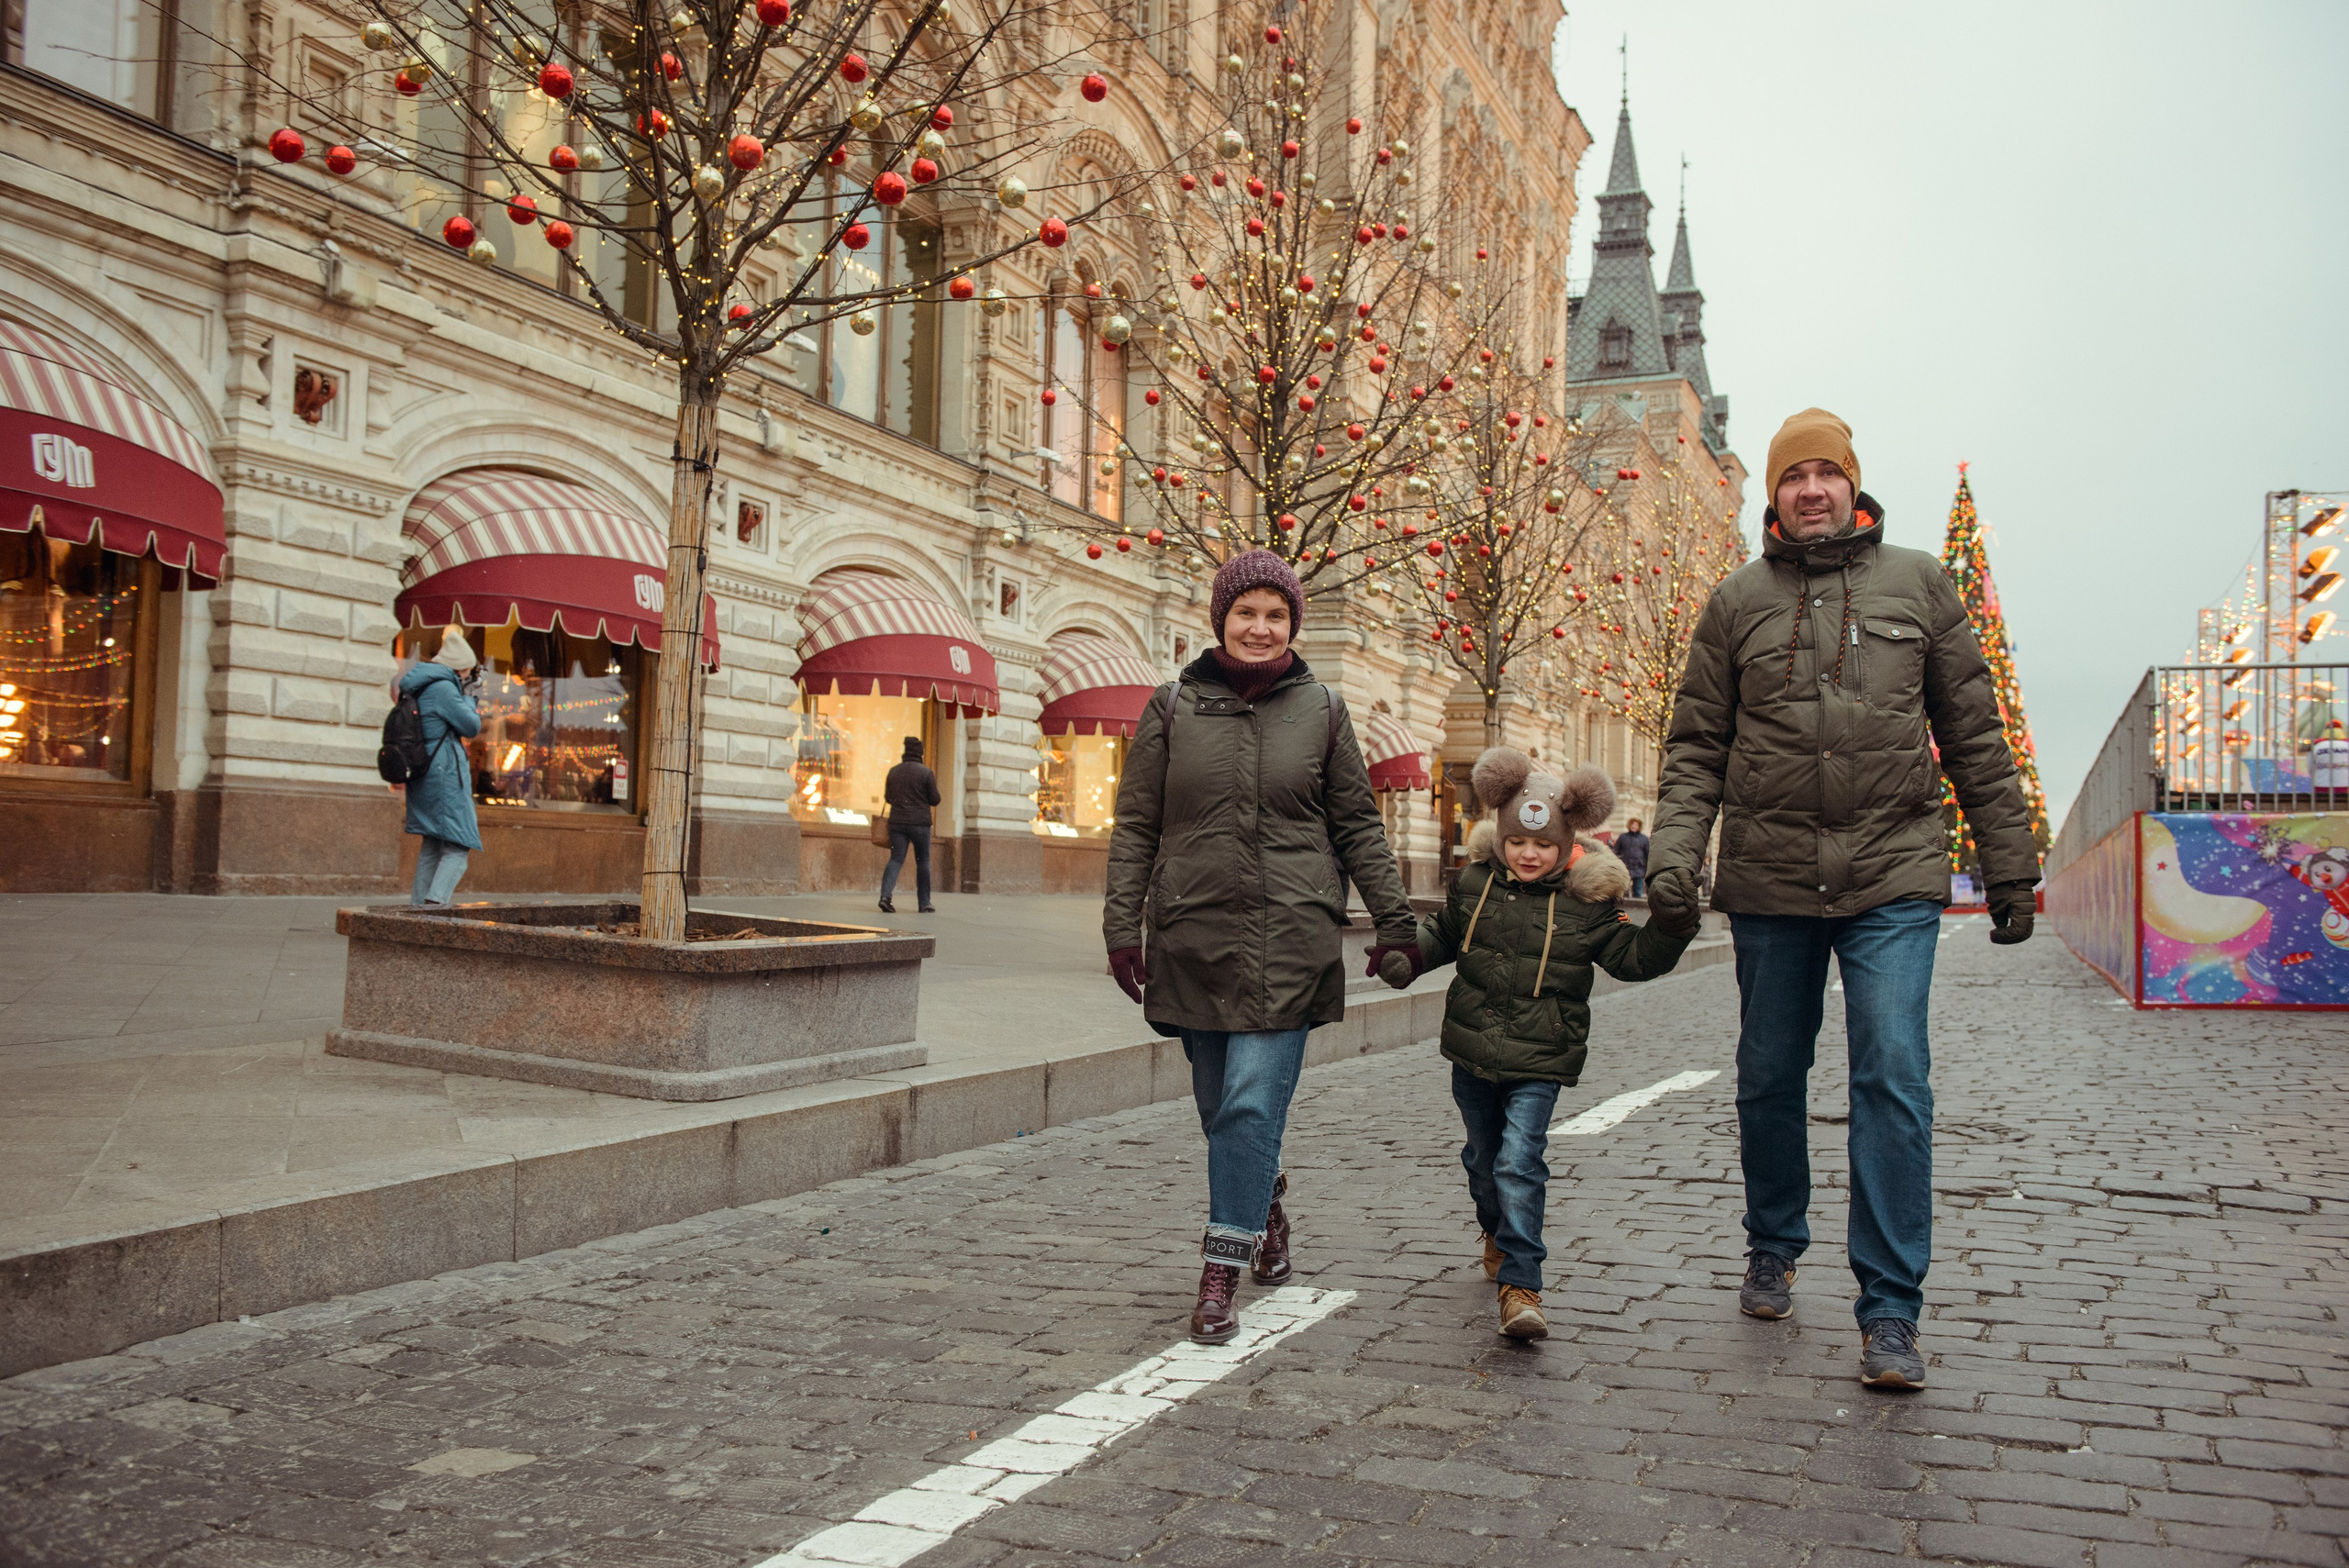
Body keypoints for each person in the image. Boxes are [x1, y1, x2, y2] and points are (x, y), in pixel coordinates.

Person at [1644, 408, 2040, 1390]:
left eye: (1826, 473)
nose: (1810, 489)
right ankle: (1772, 1239)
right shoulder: (1735, 601)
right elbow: (1695, 746)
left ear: (1852, 484)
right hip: (1772, 875)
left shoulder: (1918, 583)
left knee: (1893, 1071)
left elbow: (1974, 732)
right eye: (1793, 476)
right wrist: (1673, 861)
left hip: (1892, 872)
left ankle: (1890, 1308)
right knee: (1769, 1071)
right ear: (1774, 496)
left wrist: (2009, 860)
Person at [1104, 549, 1420, 1344]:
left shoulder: (1325, 710)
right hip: (1194, 934)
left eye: (1275, 615)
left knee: (1248, 1102)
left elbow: (1356, 826)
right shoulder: (1170, 707)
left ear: (1292, 625)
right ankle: (1263, 1202)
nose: (1259, 626)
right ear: (1221, 620)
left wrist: (1395, 922)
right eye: (1246, 612)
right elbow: (1137, 825)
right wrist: (1120, 926)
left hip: (1292, 936)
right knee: (1222, 1112)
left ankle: (1220, 1268)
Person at [1415, 749, 1692, 1340]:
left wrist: (1671, 927)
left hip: (1541, 1058)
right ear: (1502, 838)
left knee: (1519, 1162)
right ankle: (1494, 1228)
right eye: (1518, 842)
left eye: (1543, 845)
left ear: (1566, 843)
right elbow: (1442, 935)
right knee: (1483, 1166)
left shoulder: (1588, 903)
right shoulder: (1475, 883)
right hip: (1472, 1051)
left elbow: (1633, 960)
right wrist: (1403, 956)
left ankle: (1522, 1287)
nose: (1529, 854)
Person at [399, 626, 484, 906]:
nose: (469, 677)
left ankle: (417, 911)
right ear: (460, 669)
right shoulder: (444, 688)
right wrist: (470, 698)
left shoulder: (422, 683)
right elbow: (470, 726)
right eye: (468, 672)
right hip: (443, 774)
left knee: (433, 844)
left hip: (425, 772)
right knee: (459, 846)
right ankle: (433, 907)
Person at [880, 736, 941, 914]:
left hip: (897, 822)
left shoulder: (894, 772)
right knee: (923, 862)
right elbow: (935, 799)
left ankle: (885, 897)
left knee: (896, 858)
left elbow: (888, 798)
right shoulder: (926, 773)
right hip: (920, 824)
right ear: (920, 753)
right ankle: (924, 903)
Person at [1614, 817, 1650, 898]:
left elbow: (1647, 854)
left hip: (1639, 868)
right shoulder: (1623, 837)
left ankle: (1637, 909)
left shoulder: (1644, 839)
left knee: (1637, 892)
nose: (1633, 826)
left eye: (1636, 824)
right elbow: (1616, 851)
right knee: (1623, 891)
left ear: (1639, 826)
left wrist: (1647, 868)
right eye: (1632, 824)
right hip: (1625, 868)